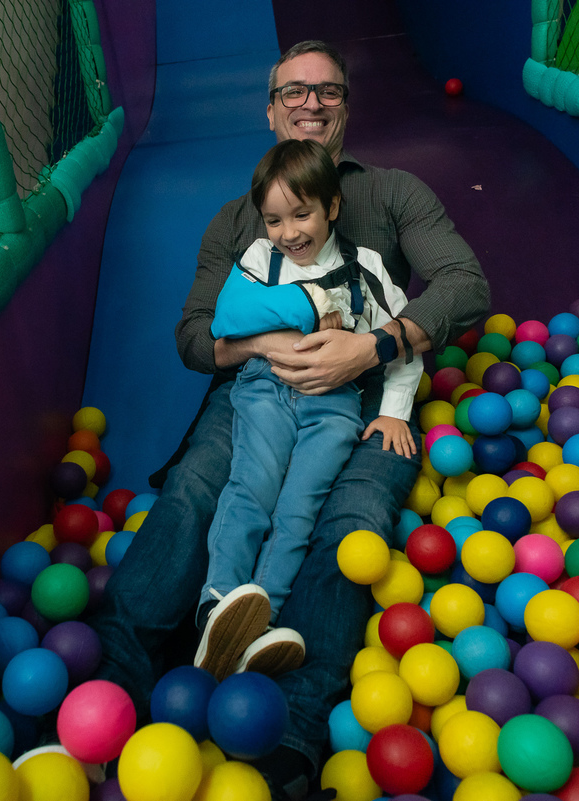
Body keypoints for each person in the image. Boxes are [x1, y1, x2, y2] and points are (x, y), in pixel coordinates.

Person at [86, 40, 490, 799]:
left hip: (366, 393)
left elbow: (467, 284)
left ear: (346, 108)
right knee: (200, 490)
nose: (311, 104)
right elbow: (192, 336)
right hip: (258, 389)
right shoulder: (238, 219)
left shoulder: (394, 193)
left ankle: (295, 728)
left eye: (328, 92)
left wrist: (370, 348)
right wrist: (269, 343)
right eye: (293, 93)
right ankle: (122, 675)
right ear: (269, 110)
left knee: (350, 524)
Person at [193, 138, 423, 682]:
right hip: (266, 389)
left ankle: (259, 620)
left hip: (335, 405)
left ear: (332, 207)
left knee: (300, 506)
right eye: (275, 219)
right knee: (252, 487)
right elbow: (225, 319)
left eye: (302, 214)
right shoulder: (259, 258)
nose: (290, 232)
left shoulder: (364, 267)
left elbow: (405, 338)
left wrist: (392, 409)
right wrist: (311, 303)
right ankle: (216, 604)